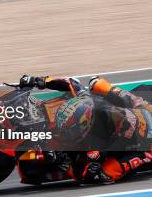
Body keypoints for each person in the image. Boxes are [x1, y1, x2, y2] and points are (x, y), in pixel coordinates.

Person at [18, 75, 152, 183]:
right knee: (97, 84)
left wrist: (63, 162)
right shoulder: (86, 99)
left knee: (106, 174)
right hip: (137, 112)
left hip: (143, 146)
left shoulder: (95, 147)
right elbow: (71, 82)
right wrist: (40, 81)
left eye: (69, 131)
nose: (67, 134)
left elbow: (84, 176)